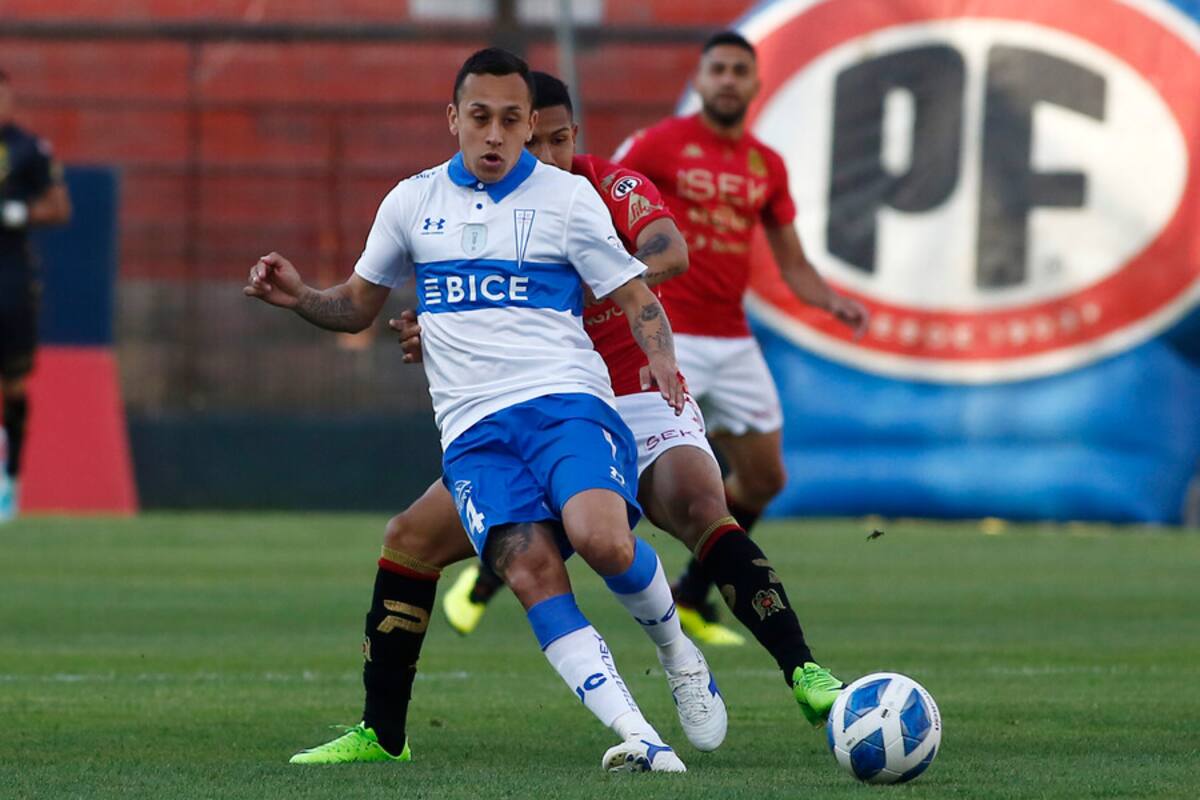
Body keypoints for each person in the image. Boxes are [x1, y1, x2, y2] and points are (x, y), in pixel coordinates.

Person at [245, 48, 721, 773]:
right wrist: (299, 295)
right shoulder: (411, 202)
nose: (493, 135)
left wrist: (660, 357)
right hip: (474, 434)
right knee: (515, 566)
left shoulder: (567, 200)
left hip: (566, 405)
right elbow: (354, 307)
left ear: (531, 125)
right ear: (453, 120)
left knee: (603, 540)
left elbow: (634, 294)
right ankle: (638, 737)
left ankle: (677, 653)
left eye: (509, 121)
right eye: (478, 118)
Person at [382, 70, 846, 755]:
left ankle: (802, 668)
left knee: (696, 500)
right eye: (529, 141)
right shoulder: (474, 203)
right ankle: (380, 729)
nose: (545, 156)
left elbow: (670, 249)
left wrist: (593, 271)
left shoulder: (604, 187)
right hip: (534, 402)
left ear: (576, 135)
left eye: (559, 139)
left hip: (629, 389)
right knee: (415, 538)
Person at [612, 31, 869, 645]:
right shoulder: (657, 144)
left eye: (738, 71)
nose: (727, 79)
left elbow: (794, 263)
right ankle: (497, 576)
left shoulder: (765, 165)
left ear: (755, 84)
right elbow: (602, 199)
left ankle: (693, 590)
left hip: (733, 338)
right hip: (670, 335)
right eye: (717, 69)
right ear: (700, 81)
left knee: (766, 479)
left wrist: (832, 301)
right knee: (634, 479)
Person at [0, 68, 72, 522]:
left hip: (10, 280)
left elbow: (60, 206)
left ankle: (10, 479)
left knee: (13, 382)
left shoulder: (29, 149)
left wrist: (15, 211)